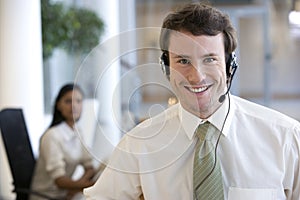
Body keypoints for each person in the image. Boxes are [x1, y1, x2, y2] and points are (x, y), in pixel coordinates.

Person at [84, 2, 300, 200]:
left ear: (229, 65)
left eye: (209, 59)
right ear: (165, 67)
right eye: (183, 61)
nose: (197, 76)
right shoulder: (139, 145)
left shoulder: (285, 138)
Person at [30, 83, 97, 200]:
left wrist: (77, 187)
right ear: (58, 105)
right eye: (67, 101)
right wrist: (90, 186)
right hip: (46, 196)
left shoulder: (77, 132)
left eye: (78, 101)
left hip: (65, 195)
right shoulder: (52, 136)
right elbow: (59, 181)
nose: (74, 106)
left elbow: (89, 166)